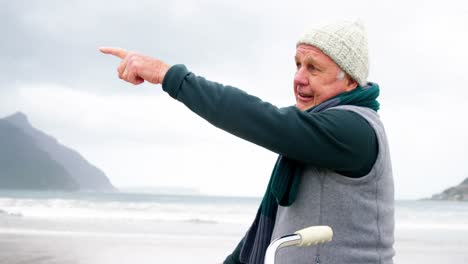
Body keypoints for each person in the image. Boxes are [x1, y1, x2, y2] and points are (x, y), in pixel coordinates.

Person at [100, 19, 394, 264]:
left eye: (313, 68)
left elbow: (259, 118)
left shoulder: (354, 130)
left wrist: (169, 76)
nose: (299, 78)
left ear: (351, 82)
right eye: (297, 65)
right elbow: (269, 233)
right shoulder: (310, 134)